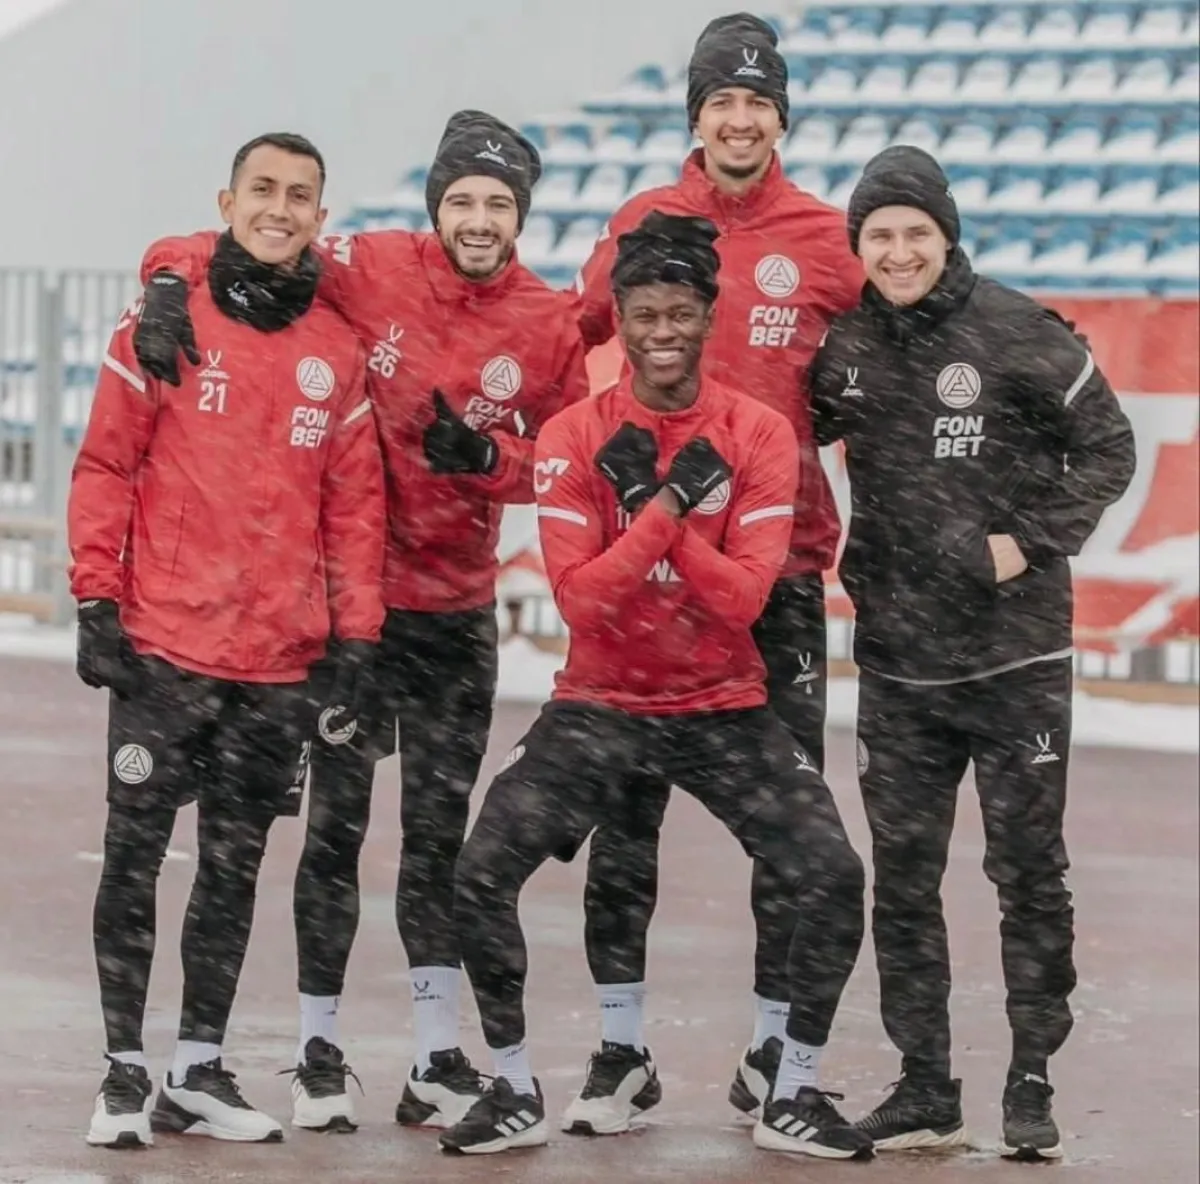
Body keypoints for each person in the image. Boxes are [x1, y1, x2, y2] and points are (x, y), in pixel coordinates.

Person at [131, 110, 590, 1133]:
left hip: (456, 617)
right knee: (334, 838)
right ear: (437, 207)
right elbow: (242, 239)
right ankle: (318, 1052)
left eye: (499, 204)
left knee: (436, 844)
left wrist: (492, 462)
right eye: (462, 200)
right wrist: (164, 279)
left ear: (521, 216)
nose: (479, 219)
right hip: (353, 621)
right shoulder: (371, 264)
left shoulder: (547, 322)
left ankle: (434, 1056)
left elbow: (566, 462)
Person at [438, 211, 871, 1162]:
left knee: (834, 876)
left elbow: (744, 598)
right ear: (623, 324)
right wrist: (670, 505)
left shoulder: (756, 431)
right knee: (477, 876)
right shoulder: (572, 434)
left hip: (723, 705)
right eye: (644, 315)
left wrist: (648, 511)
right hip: (602, 703)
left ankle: (792, 1087)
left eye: (680, 313)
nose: (662, 332)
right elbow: (585, 605)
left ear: (709, 317)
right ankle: (514, 1087)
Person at [809, 145, 1137, 1161]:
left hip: (1014, 659)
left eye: (916, 232)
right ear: (860, 247)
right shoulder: (846, 345)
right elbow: (775, 437)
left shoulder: (1016, 327)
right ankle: (926, 1085)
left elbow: (1110, 446)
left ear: (947, 237)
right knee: (903, 881)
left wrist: (1024, 541)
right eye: (879, 235)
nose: (899, 251)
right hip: (898, 662)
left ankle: (1031, 1076)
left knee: (1026, 871)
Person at [567, 12, 865, 1126]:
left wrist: (1025, 347)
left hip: (775, 571)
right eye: (721, 101)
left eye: (757, 102)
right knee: (625, 816)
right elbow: (557, 329)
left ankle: (776, 1051)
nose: (739, 120)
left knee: (791, 828)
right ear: (696, 116)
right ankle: (620, 1049)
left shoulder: (826, 237)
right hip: (646, 566)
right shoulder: (643, 219)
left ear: (782, 118)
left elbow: (919, 323)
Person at [70, 132, 386, 1149]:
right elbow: (105, 465)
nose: (279, 208)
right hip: (165, 646)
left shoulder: (335, 352)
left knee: (233, 865)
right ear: (227, 201)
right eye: (263, 190)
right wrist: (95, 599)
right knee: (134, 856)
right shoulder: (164, 320)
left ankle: (197, 1068)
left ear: (320, 217)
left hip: (276, 661)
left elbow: (353, 507)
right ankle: (123, 1070)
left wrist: (356, 638)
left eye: (300, 195)